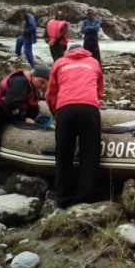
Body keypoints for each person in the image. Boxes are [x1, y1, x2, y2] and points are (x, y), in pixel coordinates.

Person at [46, 44, 104, 209]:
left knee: (63, 153)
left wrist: (55, 112)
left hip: (65, 109)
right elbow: (99, 89)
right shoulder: (93, 62)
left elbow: (51, 92)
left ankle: (63, 198)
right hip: (89, 108)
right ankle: (84, 198)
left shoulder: (59, 63)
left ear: (68, 51)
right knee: (89, 154)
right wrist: (92, 101)